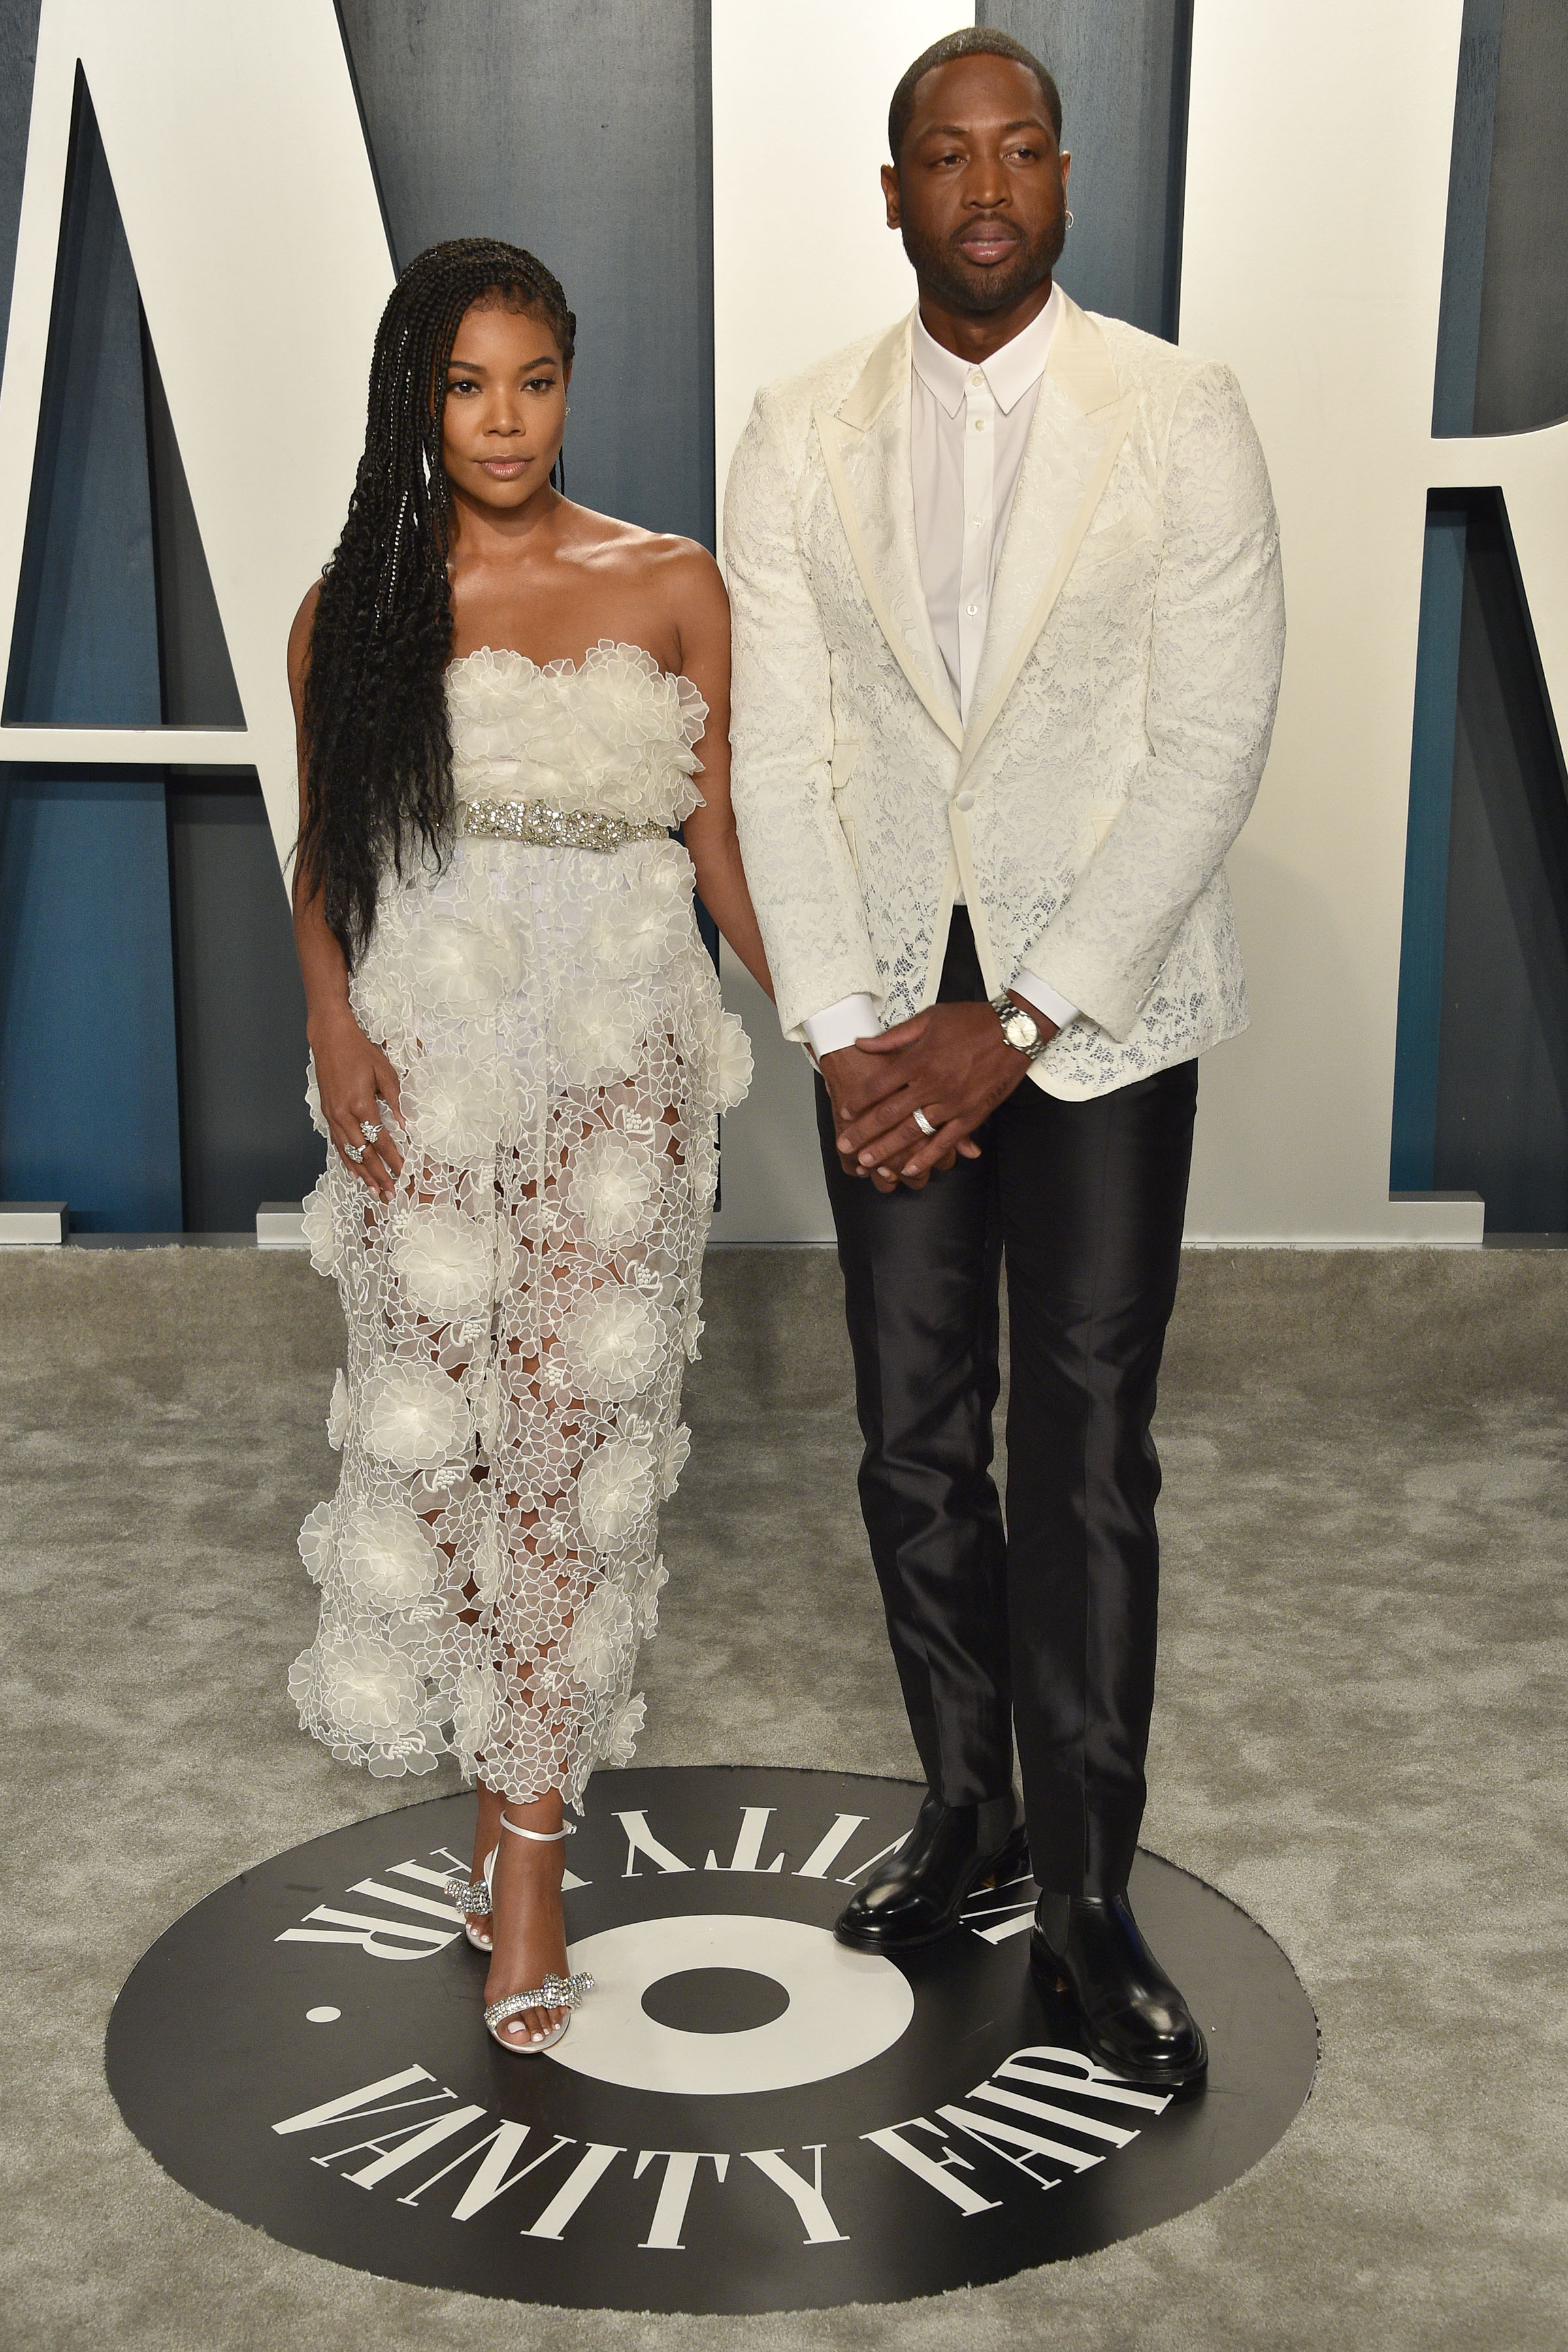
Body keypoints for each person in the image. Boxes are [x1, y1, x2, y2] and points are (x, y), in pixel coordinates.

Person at [725, 29, 1284, 2087]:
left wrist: (1025, 1014)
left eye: (1020, 148)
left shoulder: (1183, 413)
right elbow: (777, 750)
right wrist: (844, 1030)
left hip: (1102, 1018)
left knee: (1086, 1442)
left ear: (1062, 178)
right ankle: (969, 1810)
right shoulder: (799, 427)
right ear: (893, 193)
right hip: (879, 1010)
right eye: (945, 156)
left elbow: (1209, 741)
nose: (985, 184)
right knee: (910, 1433)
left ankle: (1090, 1897)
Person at [287, 238, 767, 2056]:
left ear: (574, 382)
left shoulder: (672, 581)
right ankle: (499, 1813)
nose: (504, 421)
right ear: (418, 401)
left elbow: (722, 844)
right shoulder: (355, 610)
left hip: (622, 1060)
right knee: (454, 1450)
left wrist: (838, 1026)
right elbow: (328, 849)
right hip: (430, 1053)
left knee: (572, 1451)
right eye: (466, 385)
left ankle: (537, 1865)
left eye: (535, 381)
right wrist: (334, 1030)